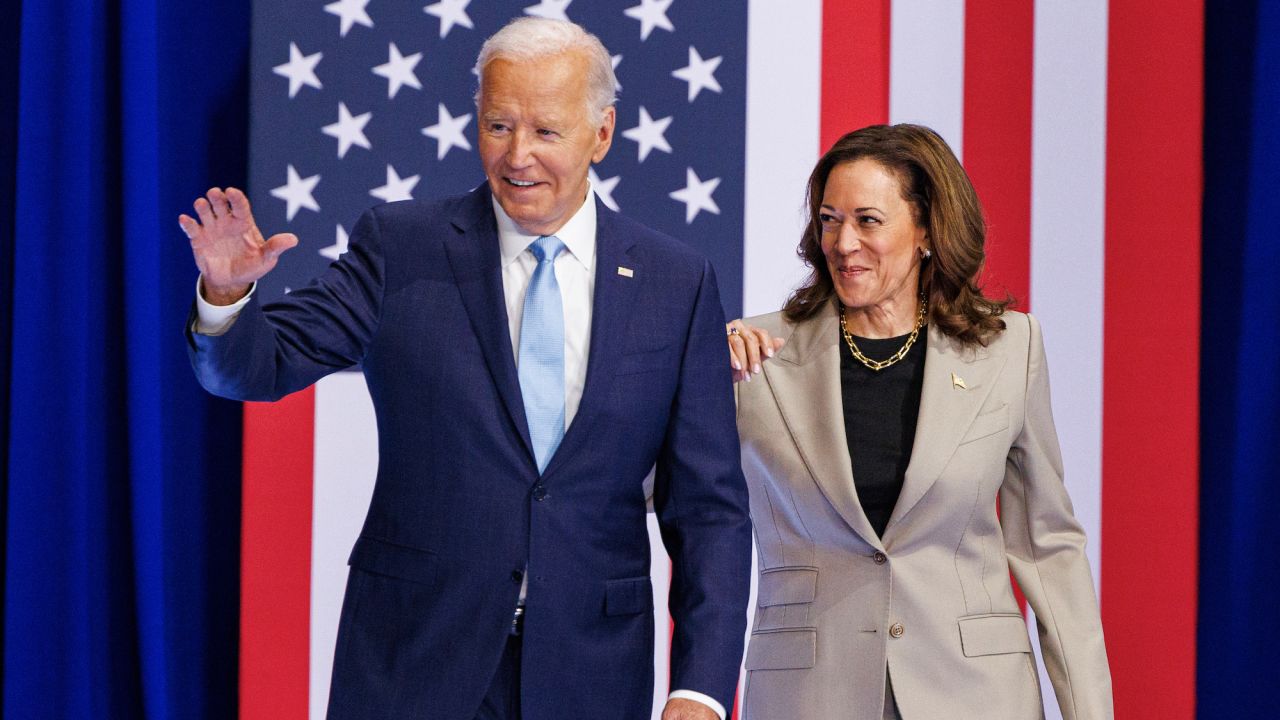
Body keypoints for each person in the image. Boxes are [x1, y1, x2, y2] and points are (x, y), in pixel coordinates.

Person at [180, 18, 751, 720]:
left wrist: (699, 689)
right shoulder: (401, 247)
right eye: (498, 125)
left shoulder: (676, 281)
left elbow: (710, 513)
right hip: (414, 663)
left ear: (602, 134)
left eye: (546, 132)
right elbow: (255, 368)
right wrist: (227, 296)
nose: (518, 155)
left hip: (591, 674)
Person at [724, 124, 1112, 719]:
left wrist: (1089, 710)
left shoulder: (1011, 349)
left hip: (975, 695)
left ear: (927, 230)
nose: (843, 242)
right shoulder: (755, 354)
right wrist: (690, 388)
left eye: (867, 220)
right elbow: (655, 489)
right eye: (829, 219)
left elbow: (1047, 546)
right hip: (809, 696)